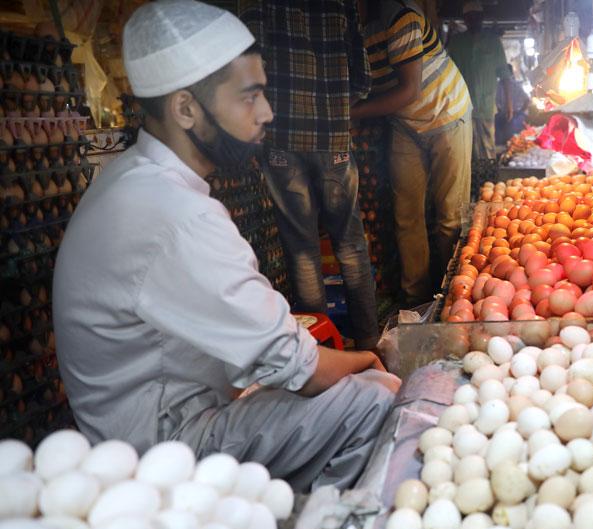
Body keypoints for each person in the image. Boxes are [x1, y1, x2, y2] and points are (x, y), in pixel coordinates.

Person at [53, 0, 398, 491]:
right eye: (249, 96)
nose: (267, 113)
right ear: (186, 109)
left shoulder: (134, 180)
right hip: (160, 451)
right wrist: (371, 359)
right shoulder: (175, 213)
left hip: (152, 416)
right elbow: (306, 371)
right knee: (374, 399)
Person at [239, 0, 380, 351]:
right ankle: (368, 344)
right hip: (333, 138)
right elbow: (362, 77)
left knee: (302, 248)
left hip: (282, 138)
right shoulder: (342, 4)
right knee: (350, 242)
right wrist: (337, 106)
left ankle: (322, 349)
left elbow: (247, 63)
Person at [353, 0, 472, 306]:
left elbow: (409, 90)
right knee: (406, 215)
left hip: (446, 114)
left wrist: (353, 113)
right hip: (405, 124)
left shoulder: (401, 18)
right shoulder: (350, 30)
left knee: (449, 216)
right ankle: (416, 298)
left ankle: (452, 297)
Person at [446, 1, 511, 160]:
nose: (473, 20)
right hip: (461, 107)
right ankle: (471, 183)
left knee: (487, 148)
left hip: (486, 106)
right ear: (465, 19)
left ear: (482, 18)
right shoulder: (456, 43)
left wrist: (509, 103)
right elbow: (447, 75)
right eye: (469, 17)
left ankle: (488, 181)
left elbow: (504, 75)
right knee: (465, 151)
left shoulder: (493, 42)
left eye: (476, 17)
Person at [495, 64, 528, 146]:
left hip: (514, 116)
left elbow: (527, 100)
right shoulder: (498, 86)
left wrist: (520, 112)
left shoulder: (515, 85)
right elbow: (527, 100)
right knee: (505, 141)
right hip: (505, 116)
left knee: (513, 142)